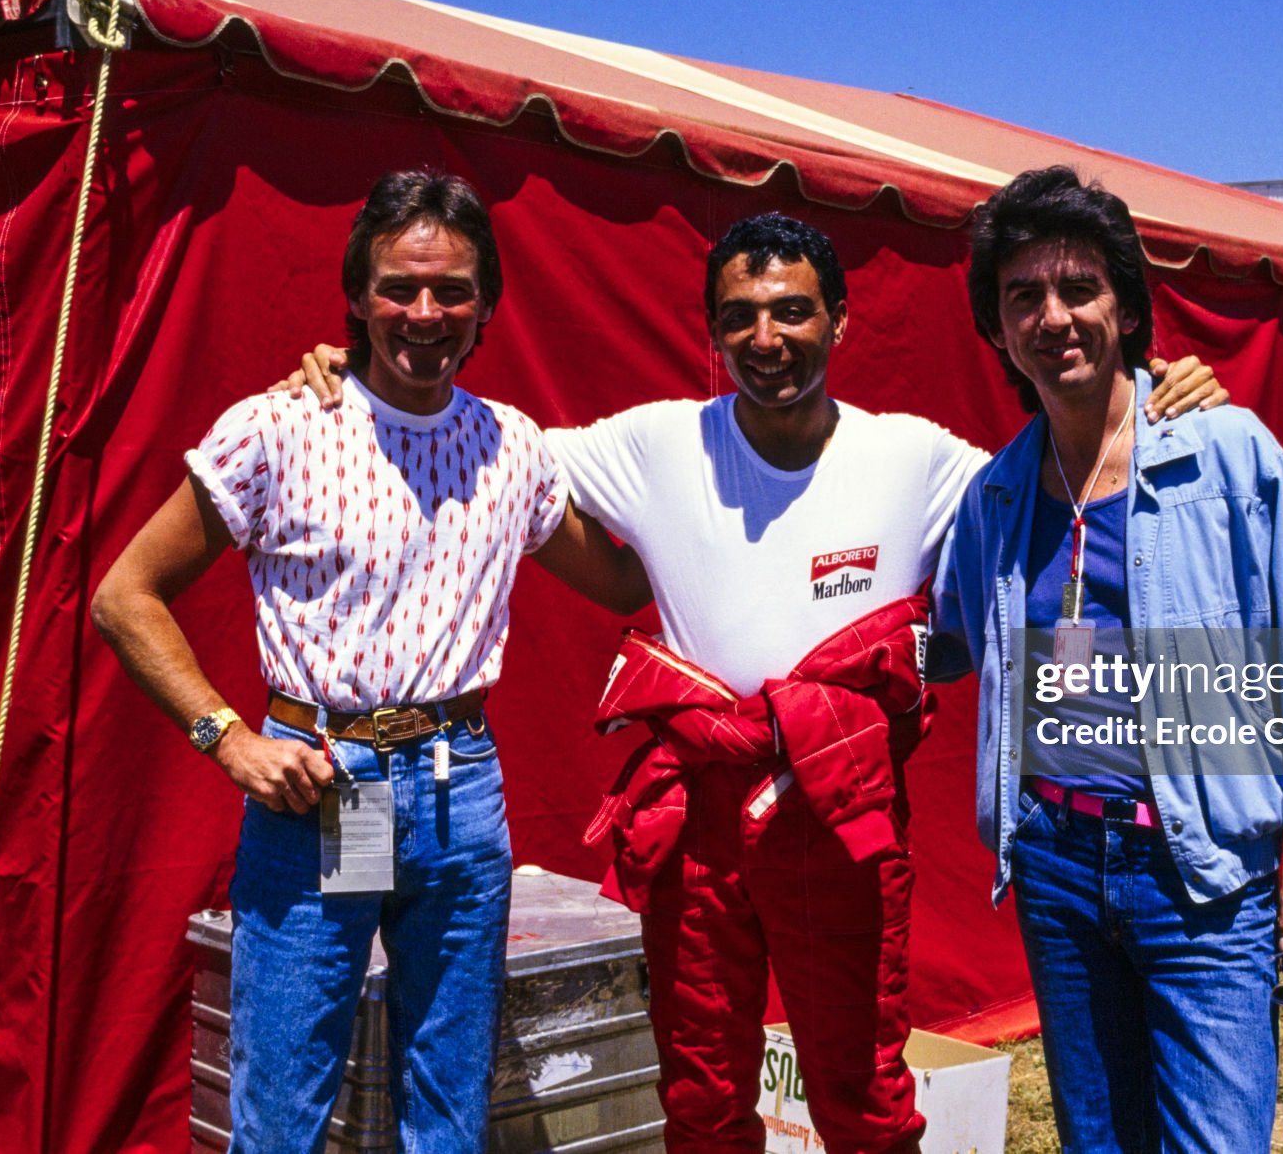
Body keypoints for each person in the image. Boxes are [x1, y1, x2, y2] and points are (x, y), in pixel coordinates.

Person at [283, 211, 1227, 1154]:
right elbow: (484, 441)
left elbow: (1069, 480)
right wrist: (355, 377)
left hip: (842, 820)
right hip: (697, 821)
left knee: (863, 1096)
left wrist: (1152, 400)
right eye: (740, 316)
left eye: (791, 312)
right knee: (701, 1096)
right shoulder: (658, 444)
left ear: (840, 319)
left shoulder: (917, 456)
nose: (766, 339)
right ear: (713, 331)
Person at [91, 170, 650, 1154]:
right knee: (285, 1096)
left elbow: (616, 583)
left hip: (458, 785)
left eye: (451, 291)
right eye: (398, 287)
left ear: (486, 303)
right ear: (355, 295)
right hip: (328, 785)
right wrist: (225, 739)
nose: (423, 313)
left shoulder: (508, 443)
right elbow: (124, 594)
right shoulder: (281, 428)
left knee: (447, 1097)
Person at [929, 167, 1283, 1154]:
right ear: (997, 327)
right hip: (1052, 861)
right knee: (1100, 1140)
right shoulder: (996, 496)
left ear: (1126, 308)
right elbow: (938, 643)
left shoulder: (1223, 454)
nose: (1052, 317)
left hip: (1198, 868)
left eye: (1077, 289)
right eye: (1022, 297)